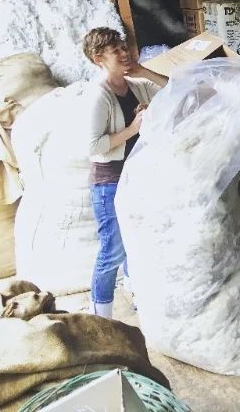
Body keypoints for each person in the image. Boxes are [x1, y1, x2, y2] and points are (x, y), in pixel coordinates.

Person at [82, 28, 168, 318]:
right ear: (98, 59)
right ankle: (100, 315)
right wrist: (133, 128)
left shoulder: (134, 85)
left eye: (123, 47)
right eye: (115, 50)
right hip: (109, 182)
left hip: (136, 176)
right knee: (113, 250)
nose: (124, 53)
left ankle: (139, 298)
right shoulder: (99, 95)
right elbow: (93, 145)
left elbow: (173, 90)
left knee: (137, 241)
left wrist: (144, 69)